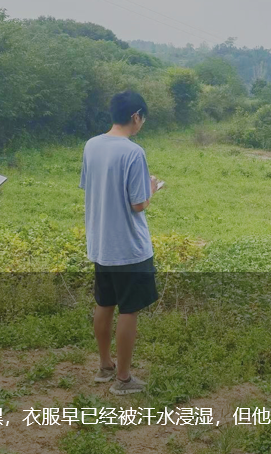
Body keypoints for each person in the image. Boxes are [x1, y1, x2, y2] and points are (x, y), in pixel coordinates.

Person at [81, 91, 161, 395]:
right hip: (129, 247)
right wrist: (151, 189)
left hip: (101, 244)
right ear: (136, 116)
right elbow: (138, 203)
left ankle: (105, 365)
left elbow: (90, 185)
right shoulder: (133, 152)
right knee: (129, 310)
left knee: (104, 303)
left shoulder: (92, 145)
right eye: (143, 119)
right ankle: (124, 379)